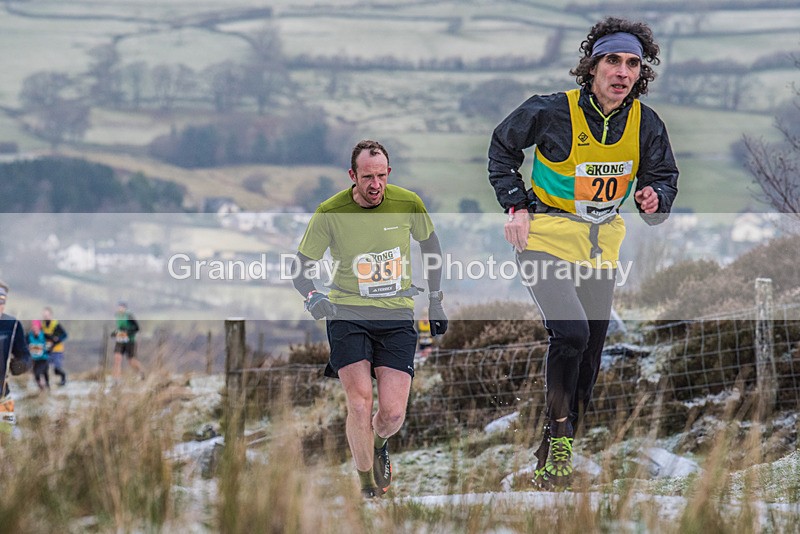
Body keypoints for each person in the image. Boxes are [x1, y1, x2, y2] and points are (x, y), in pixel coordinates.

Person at [488, 17, 678, 489]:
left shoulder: (646, 124)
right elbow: (501, 148)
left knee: (591, 354)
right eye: (612, 60)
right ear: (592, 66)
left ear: (641, 73)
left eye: (632, 63)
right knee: (570, 334)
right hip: (545, 240)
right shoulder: (551, 111)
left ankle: (560, 444)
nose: (622, 71)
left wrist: (655, 199)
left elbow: (662, 178)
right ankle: (557, 435)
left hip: (600, 247)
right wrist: (515, 205)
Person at [292, 139, 448, 499]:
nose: (375, 184)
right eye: (367, 177)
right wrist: (313, 296)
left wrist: (436, 301)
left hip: (395, 316)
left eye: (381, 176)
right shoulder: (330, 211)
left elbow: (431, 246)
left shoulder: (408, 203)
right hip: (347, 315)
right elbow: (300, 268)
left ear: (388, 173)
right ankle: (367, 485)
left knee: (392, 414)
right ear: (353, 176)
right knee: (360, 403)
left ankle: (378, 444)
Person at [0, 281, 32, 438]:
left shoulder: (12, 326)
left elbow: (26, 357)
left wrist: (20, 365)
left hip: (3, 395)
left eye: (2, 301)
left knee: (8, 437)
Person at [111, 301, 143, 381]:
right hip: (120, 339)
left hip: (130, 341)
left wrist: (128, 331)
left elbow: (137, 328)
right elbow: (120, 328)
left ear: (125, 308)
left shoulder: (129, 315)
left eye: (122, 307)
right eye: (119, 307)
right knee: (117, 358)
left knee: (131, 361)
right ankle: (117, 379)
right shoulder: (117, 315)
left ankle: (141, 373)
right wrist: (115, 333)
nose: (120, 309)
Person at [42, 306, 68, 386]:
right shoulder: (43, 325)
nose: (46, 317)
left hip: (57, 350)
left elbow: (64, 335)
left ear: (51, 315)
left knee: (57, 369)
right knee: (45, 368)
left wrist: (57, 340)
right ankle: (47, 385)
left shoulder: (56, 324)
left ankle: (63, 377)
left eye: (47, 315)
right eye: (44, 315)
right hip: (48, 349)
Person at [29, 320, 50, 391]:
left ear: (39, 328)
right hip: (34, 359)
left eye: (36, 327)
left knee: (44, 373)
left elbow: (52, 342)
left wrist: (48, 348)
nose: (35, 329)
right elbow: (24, 345)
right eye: (33, 327)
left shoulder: (44, 335)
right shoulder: (29, 336)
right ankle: (41, 388)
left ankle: (47, 386)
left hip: (43, 358)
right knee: (36, 374)